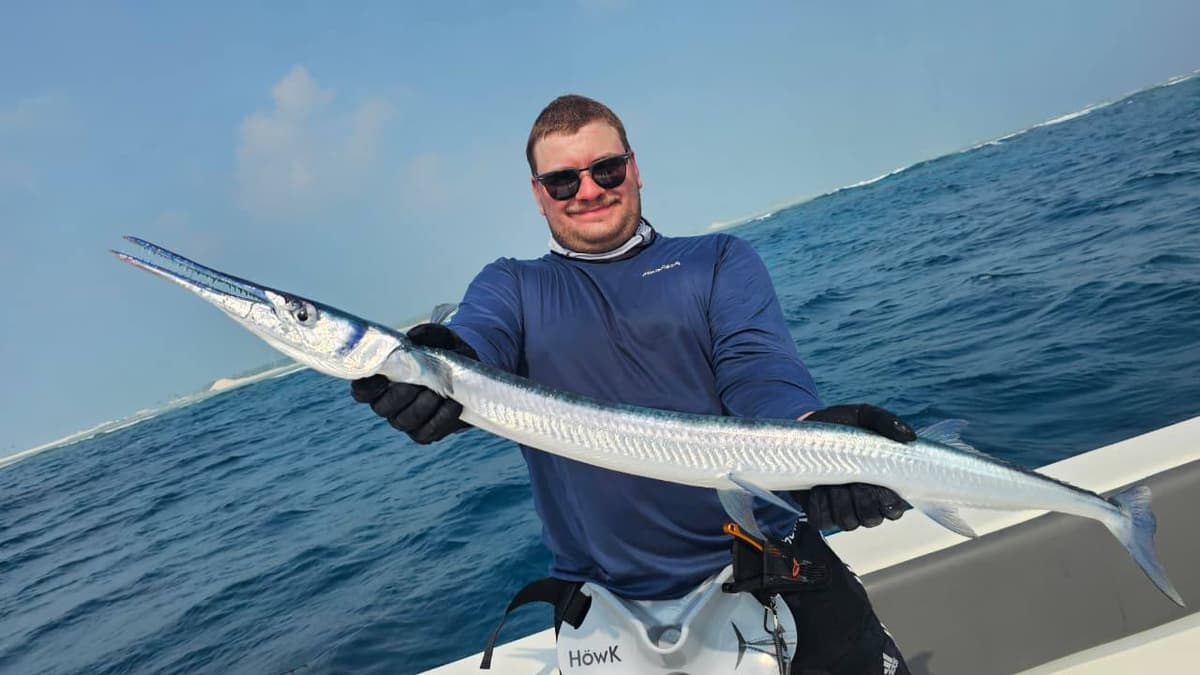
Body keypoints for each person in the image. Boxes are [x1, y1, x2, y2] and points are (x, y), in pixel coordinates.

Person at [352, 95, 913, 673]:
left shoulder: (716, 260)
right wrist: (437, 366)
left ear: (635, 167)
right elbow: (476, 341)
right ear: (539, 194)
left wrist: (810, 437)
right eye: (564, 180)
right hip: (607, 609)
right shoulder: (512, 286)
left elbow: (759, 370)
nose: (589, 190)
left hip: (773, 567)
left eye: (606, 169)